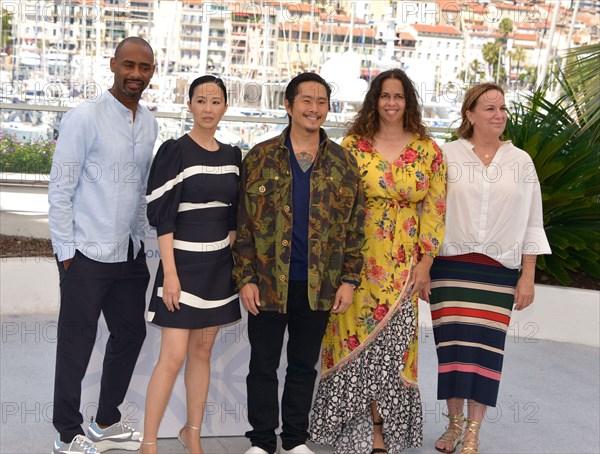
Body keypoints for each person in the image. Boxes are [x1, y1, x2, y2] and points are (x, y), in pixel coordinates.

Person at [310, 68, 447, 454]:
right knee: (350, 344)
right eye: (384, 95)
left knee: (396, 350)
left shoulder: (427, 150)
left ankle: (386, 429)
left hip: (403, 270)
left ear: (408, 102)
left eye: (398, 96)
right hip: (354, 266)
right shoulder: (351, 146)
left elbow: (435, 209)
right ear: (375, 100)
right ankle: (357, 432)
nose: (391, 103)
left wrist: (425, 263)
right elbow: (333, 207)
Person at [233, 72, 365, 454]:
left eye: (322, 101)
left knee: (303, 367)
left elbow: (355, 226)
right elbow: (243, 225)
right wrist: (246, 278)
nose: (315, 108)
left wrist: (349, 280)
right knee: (262, 365)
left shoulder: (343, 162)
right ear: (288, 106)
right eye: (306, 100)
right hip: (268, 282)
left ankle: (293, 441)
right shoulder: (259, 157)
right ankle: (261, 441)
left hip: (319, 284)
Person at [48, 37, 158, 453]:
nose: (135, 74)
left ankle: (105, 421)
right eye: (128, 65)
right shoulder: (84, 118)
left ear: (152, 71)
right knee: (75, 344)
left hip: (129, 253)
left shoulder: (149, 122)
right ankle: (65, 432)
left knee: (130, 335)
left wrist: (148, 239)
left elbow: (143, 190)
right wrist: (66, 254)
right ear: (113, 64)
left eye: (143, 68)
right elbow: (60, 189)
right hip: (86, 253)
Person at [429, 83, 551, 454]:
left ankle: (473, 433)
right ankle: (452, 428)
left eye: (502, 108)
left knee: (485, 352)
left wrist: (527, 276)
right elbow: (429, 211)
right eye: (489, 108)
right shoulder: (446, 155)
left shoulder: (521, 161)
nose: (499, 115)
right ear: (469, 115)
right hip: (449, 269)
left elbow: (533, 222)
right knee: (452, 351)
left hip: (498, 273)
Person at [139, 76, 241, 453]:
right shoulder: (174, 151)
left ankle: (192, 434)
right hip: (180, 264)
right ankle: (148, 443)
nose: (208, 108)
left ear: (225, 107)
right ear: (189, 105)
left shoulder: (233, 155)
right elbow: (162, 218)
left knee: (202, 352)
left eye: (215, 101)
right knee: (174, 355)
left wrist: (227, 254)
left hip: (218, 268)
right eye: (201, 100)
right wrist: (170, 275)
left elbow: (234, 216)